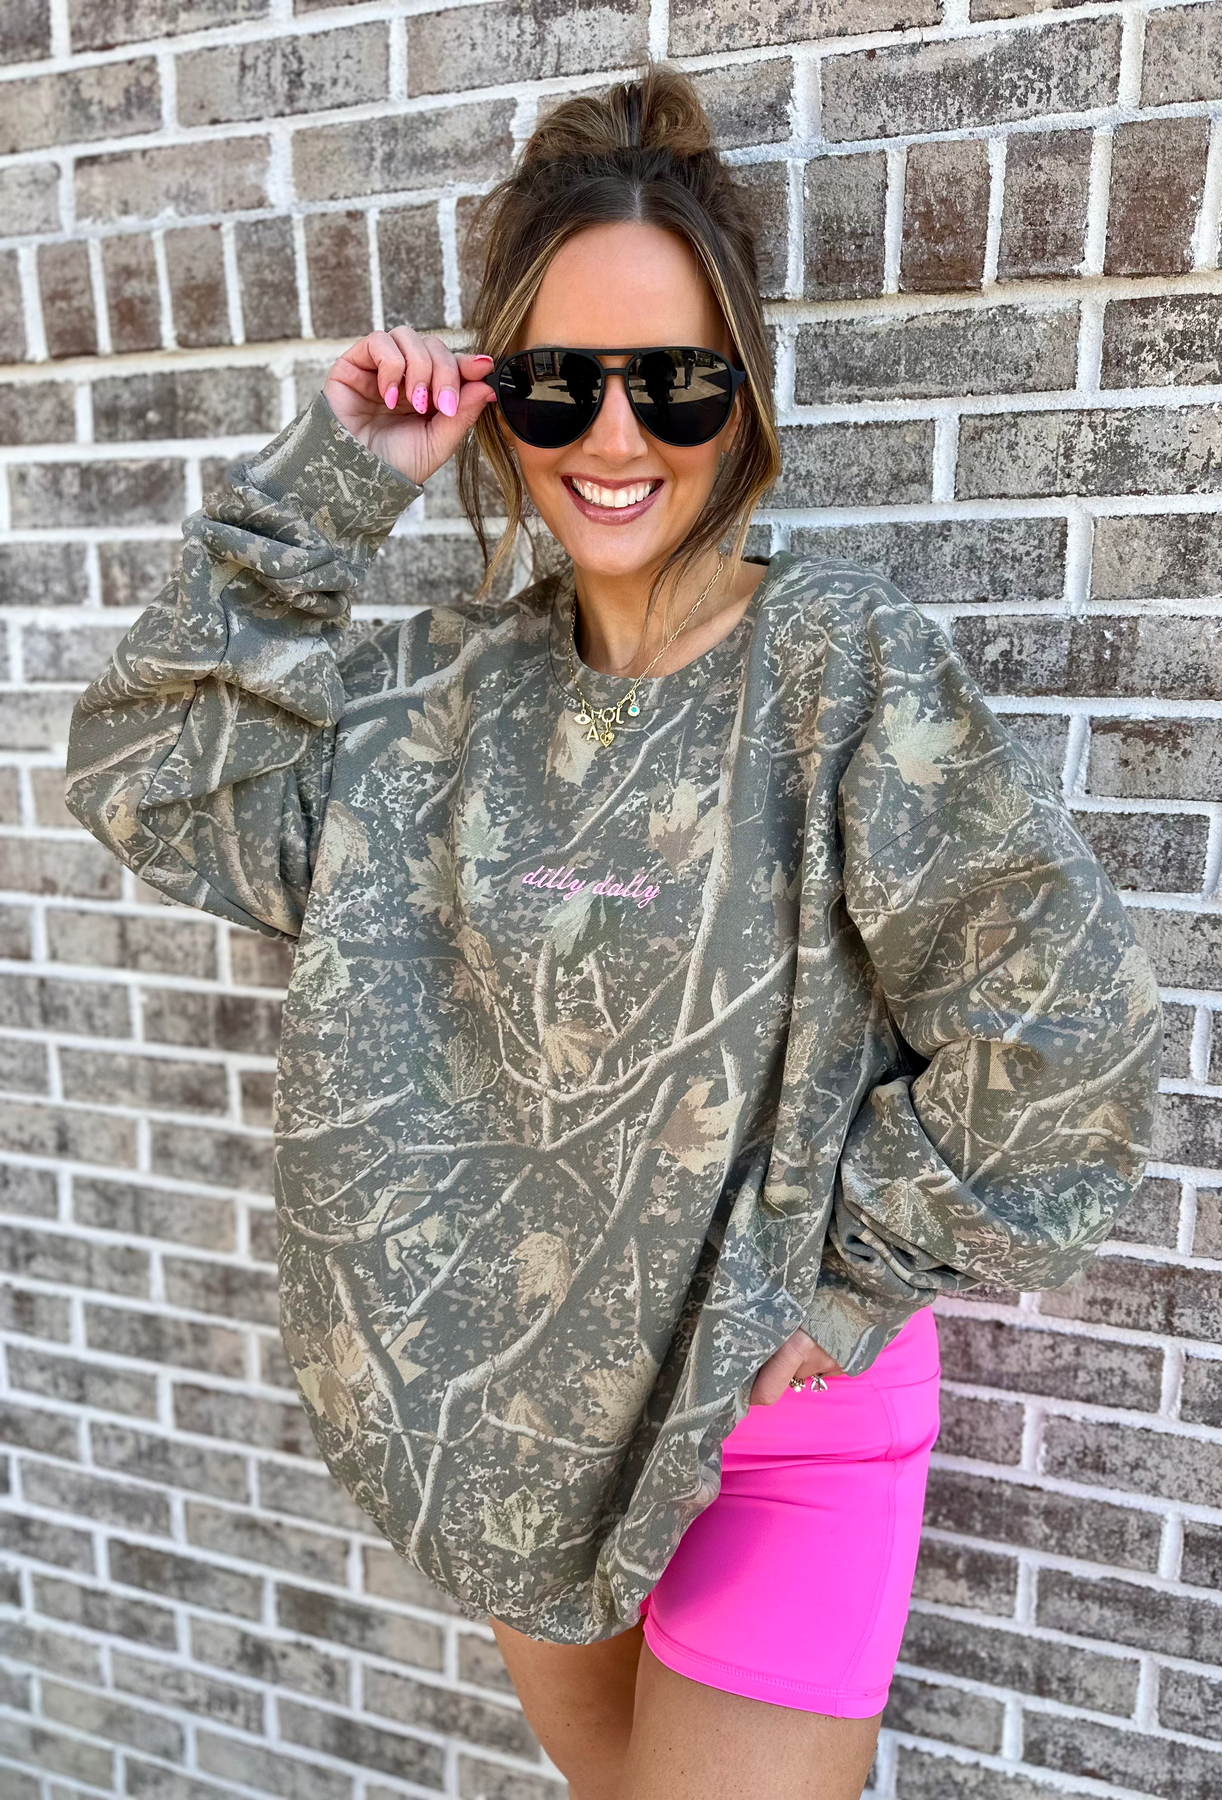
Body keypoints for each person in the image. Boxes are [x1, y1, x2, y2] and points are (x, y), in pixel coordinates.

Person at [65, 62, 1163, 1800]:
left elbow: (1064, 1023)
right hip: (520, 1434)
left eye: (674, 381)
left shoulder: (841, 673)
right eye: (559, 382)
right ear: (500, 399)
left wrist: (851, 1280)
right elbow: (155, 782)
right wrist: (335, 484)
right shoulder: (434, 700)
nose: (615, 435)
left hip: (776, 1416)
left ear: (744, 393)